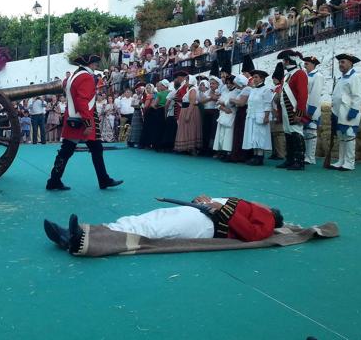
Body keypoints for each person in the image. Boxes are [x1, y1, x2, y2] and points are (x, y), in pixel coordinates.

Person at [43, 194, 284, 253]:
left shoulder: (267, 218)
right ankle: (84, 232)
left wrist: (224, 211)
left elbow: (252, 234)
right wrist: (204, 200)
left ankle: (79, 240)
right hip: (200, 214)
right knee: (146, 220)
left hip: (207, 226)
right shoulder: (247, 204)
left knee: (151, 228)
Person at [46, 54, 122, 191]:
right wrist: (88, 123)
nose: (96, 66)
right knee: (91, 150)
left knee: (71, 151)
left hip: (73, 118)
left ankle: (54, 180)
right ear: (90, 65)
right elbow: (82, 101)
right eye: (95, 64)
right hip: (83, 120)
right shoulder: (86, 77)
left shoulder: (73, 76)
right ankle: (103, 180)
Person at [328, 53, 361, 171]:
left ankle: (349, 162)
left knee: (349, 136)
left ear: (350, 63)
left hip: (348, 112)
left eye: (343, 62)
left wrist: (353, 111)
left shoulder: (355, 77)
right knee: (341, 137)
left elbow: (357, 96)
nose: (340, 64)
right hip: (339, 113)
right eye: (339, 62)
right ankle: (341, 160)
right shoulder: (341, 78)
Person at [277, 50, 308, 170]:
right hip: (286, 109)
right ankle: (290, 159)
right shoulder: (287, 75)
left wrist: (299, 113)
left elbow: (303, 95)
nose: (283, 63)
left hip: (294, 109)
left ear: (288, 61)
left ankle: (299, 161)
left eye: (284, 60)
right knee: (288, 134)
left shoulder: (299, 73)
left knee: (296, 133)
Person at [242, 70, 273, 165]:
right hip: (252, 115)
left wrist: (266, 116)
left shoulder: (266, 89)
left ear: (262, 79)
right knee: (253, 136)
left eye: (256, 77)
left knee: (260, 136)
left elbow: (268, 104)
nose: (254, 79)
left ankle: (260, 157)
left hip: (261, 115)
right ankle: (255, 155)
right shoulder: (253, 89)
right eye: (253, 77)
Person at [302, 56, 325, 165]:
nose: (305, 66)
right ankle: (305, 155)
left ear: (313, 64)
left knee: (311, 131)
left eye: (307, 64)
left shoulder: (317, 76)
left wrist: (311, 110)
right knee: (305, 132)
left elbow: (315, 94)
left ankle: (311, 157)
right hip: (304, 107)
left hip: (312, 108)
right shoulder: (305, 75)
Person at [174, 75, 202, 154]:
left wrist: (188, 115)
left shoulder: (193, 89)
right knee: (186, 128)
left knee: (190, 128)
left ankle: (191, 148)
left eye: (186, 81)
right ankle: (186, 147)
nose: (185, 82)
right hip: (185, 110)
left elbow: (192, 103)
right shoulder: (188, 89)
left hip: (190, 110)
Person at [269, 62, 286, 161]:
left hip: (279, 113)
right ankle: (274, 152)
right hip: (273, 113)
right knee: (273, 134)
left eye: (275, 78)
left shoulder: (281, 88)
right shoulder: (274, 88)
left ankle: (281, 153)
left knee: (279, 134)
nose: (273, 80)